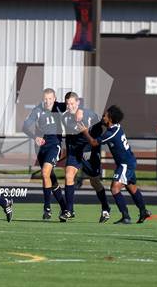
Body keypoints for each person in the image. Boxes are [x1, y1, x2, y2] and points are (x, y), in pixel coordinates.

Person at [78, 105, 151, 224]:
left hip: (125, 164)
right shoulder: (116, 127)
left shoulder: (111, 133)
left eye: (105, 115)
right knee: (131, 187)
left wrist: (85, 131)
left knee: (114, 188)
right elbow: (102, 125)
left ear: (110, 118)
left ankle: (126, 216)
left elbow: (94, 143)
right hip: (129, 162)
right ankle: (143, 211)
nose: (103, 117)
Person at [62, 92, 111, 223]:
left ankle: (106, 208)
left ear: (78, 103)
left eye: (72, 103)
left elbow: (100, 129)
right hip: (74, 152)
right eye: (67, 103)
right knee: (69, 175)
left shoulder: (89, 115)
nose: (69, 106)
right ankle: (69, 210)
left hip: (89, 152)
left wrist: (92, 146)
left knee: (94, 182)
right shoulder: (65, 117)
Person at [22, 88, 67, 221]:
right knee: (51, 179)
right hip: (41, 148)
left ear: (54, 98)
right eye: (45, 99)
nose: (47, 102)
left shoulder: (59, 107)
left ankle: (47, 208)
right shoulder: (38, 110)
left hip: (54, 145)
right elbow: (25, 126)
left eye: (50, 99)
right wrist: (34, 137)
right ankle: (65, 208)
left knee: (45, 173)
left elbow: (73, 105)